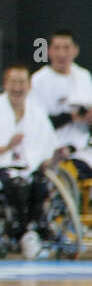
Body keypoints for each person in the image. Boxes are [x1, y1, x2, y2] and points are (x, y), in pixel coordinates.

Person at [0, 64, 64, 258]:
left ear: (29, 86)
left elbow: (45, 156)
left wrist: (56, 157)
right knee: (14, 185)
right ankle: (21, 232)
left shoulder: (37, 114)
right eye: (13, 82)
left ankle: (35, 231)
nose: (17, 87)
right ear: (5, 84)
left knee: (40, 184)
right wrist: (7, 147)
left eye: (22, 83)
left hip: (29, 168)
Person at [29, 29, 92, 177]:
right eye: (57, 48)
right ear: (49, 51)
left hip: (82, 147)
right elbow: (35, 124)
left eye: (66, 48)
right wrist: (70, 117)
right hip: (50, 149)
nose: (62, 54)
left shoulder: (84, 76)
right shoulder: (38, 81)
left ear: (75, 50)